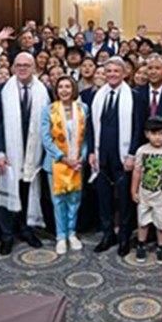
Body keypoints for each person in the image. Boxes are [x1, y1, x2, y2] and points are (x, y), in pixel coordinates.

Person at [0, 52, 50, 255]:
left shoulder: (44, 91)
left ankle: (26, 229)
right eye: (19, 65)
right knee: (9, 191)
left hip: (33, 151)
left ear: (34, 68)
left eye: (27, 65)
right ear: (13, 67)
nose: (23, 68)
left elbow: (47, 125)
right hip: (9, 150)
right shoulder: (2, 90)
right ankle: (7, 235)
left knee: (28, 191)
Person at [88, 57, 137, 256]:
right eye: (108, 71)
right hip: (102, 155)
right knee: (103, 198)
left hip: (123, 156)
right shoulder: (98, 96)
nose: (112, 75)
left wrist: (132, 154)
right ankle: (108, 234)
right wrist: (92, 150)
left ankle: (124, 236)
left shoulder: (134, 96)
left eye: (117, 71)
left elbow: (138, 128)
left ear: (124, 73)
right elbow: (91, 127)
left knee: (124, 199)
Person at [41, 75, 89, 255]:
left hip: (76, 163)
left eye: (67, 86)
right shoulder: (49, 110)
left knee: (74, 200)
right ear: (56, 90)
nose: (64, 90)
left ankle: (72, 233)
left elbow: (86, 138)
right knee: (59, 201)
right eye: (60, 87)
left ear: (73, 89)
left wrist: (80, 158)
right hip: (56, 163)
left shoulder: (83, 109)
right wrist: (63, 158)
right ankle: (61, 236)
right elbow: (46, 139)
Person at [130, 116, 162, 264]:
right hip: (144, 195)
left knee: (161, 224)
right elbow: (137, 171)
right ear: (147, 134)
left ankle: (161, 246)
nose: (157, 138)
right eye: (154, 134)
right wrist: (133, 191)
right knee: (143, 222)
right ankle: (141, 245)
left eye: (161, 134)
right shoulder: (142, 151)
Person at [132, 55, 162, 152]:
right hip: (141, 146)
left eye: (157, 68)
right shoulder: (136, 93)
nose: (153, 72)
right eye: (150, 68)